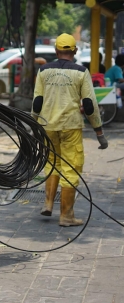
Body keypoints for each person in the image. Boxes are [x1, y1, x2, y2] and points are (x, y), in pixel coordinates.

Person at [32, 33, 108, 227]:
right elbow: (89, 105)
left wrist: (33, 128)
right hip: (71, 126)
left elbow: (37, 103)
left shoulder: (43, 71)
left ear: (56, 51)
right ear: (74, 51)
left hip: (47, 125)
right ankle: (66, 216)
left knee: (51, 162)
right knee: (71, 167)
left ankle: (48, 203)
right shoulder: (81, 72)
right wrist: (99, 133)